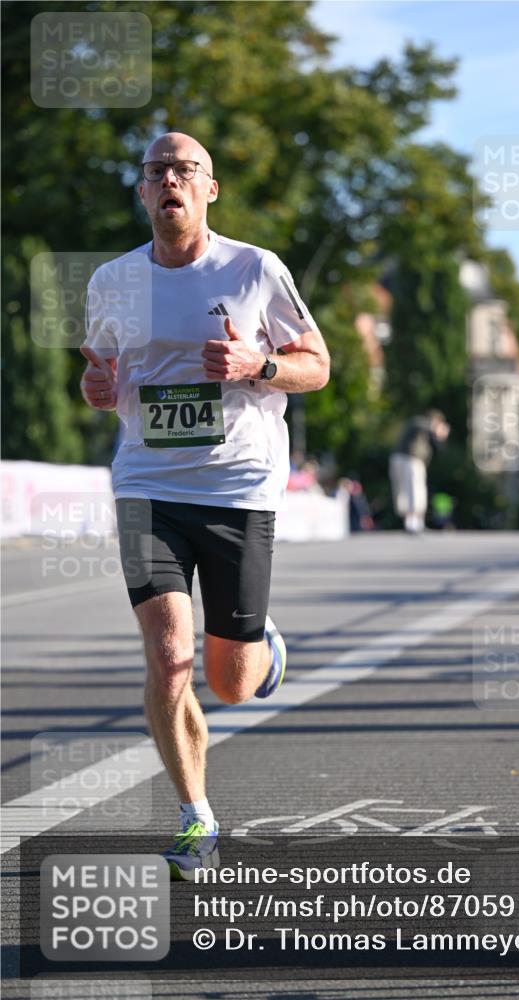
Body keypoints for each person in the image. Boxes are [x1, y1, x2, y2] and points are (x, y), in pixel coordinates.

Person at [80, 132, 330, 878]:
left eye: (185, 169)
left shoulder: (255, 269)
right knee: (167, 658)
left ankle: (263, 645)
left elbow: (316, 366)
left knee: (231, 681)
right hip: (146, 484)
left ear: (209, 190)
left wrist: (261, 363)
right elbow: (103, 377)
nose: (170, 181)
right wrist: (95, 392)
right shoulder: (111, 281)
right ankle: (198, 819)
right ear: (142, 190)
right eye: (156, 170)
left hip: (237, 486)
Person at [389, 410, 450, 533]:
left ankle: (415, 522)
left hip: (413, 461)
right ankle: (410, 521)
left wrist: (441, 436)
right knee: (406, 490)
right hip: (407, 459)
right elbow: (420, 425)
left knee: (415, 490)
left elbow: (439, 448)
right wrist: (435, 428)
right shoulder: (419, 422)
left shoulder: (428, 431)